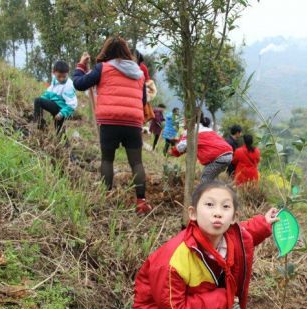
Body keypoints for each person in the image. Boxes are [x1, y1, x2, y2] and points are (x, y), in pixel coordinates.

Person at [133, 180, 279, 309]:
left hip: (198, 297)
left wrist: (264, 223)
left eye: (225, 207)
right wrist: (221, 299)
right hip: (160, 308)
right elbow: (175, 308)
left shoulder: (228, 237)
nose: (217, 212)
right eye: (209, 205)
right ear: (193, 213)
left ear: (233, 218)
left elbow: (246, 235)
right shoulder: (175, 258)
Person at [72, 36, 151, 215]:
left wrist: (80, 66)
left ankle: (105, 197)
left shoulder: (103, 68)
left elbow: (79, 83)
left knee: (107, 160)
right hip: (132, 121)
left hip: (110, 120)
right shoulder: (138, 72)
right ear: (126, 52)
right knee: (136, 162)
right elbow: (143, 100)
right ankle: (141, 202)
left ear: (106, 51)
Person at [170, 114, 234, 183]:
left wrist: (172, 152)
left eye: (184, 119)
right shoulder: (206, 129)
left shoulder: (191, 130)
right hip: (228, 154)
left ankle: (209, 192)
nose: (183, 121)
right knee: (211, 178)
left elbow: (181, 147)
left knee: (205, 178)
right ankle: (215, 190)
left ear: (189, 120)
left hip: (219, 157)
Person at [33, 61, 78, 136]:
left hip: (62, 109)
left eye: (64, 76)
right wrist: (43, 99)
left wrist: (61, 113)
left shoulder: (69, 86)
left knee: (59, 132)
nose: (61, 79)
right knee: (38, 101)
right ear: (54, 72)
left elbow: (72, 105)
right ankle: (41, 124)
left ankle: (64, 143)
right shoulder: (54, 80)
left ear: (68, 73)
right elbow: (49, 93)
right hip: (55, 105)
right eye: (59, 76)